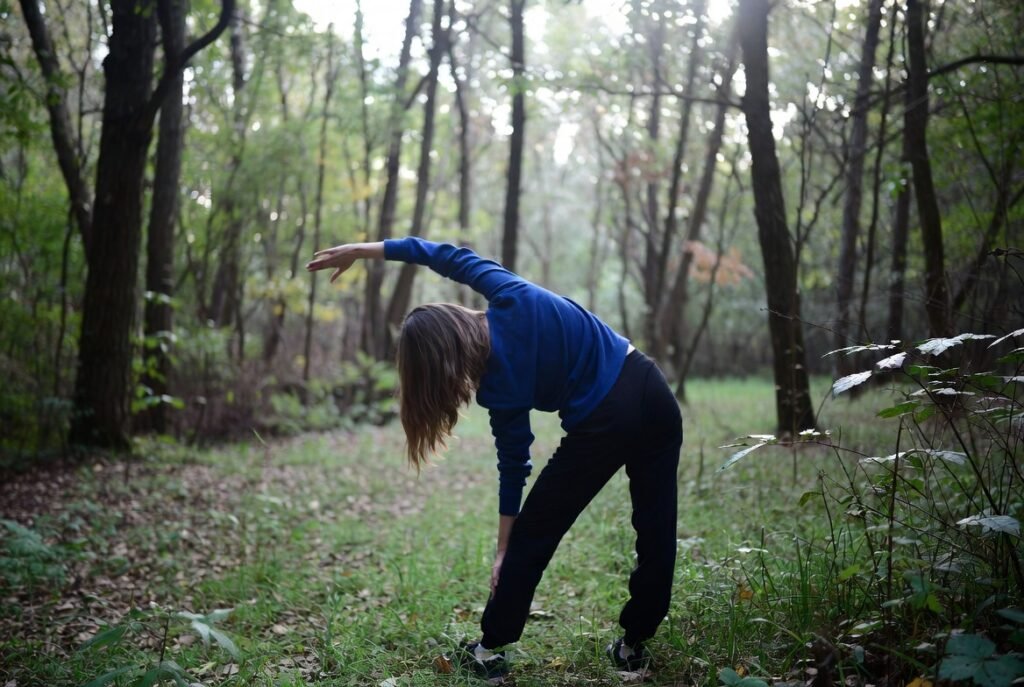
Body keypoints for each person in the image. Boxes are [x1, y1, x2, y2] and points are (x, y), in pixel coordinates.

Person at [307, 238, 682, 682]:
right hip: (653, 387)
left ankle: (488, 651)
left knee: (535, 531)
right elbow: (444, 255)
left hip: (605, 420)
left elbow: (514, 467)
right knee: (655, 527)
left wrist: (506, 548)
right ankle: (634, 647)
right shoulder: (509, 294)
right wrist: (363, 250)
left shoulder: (498, 387)